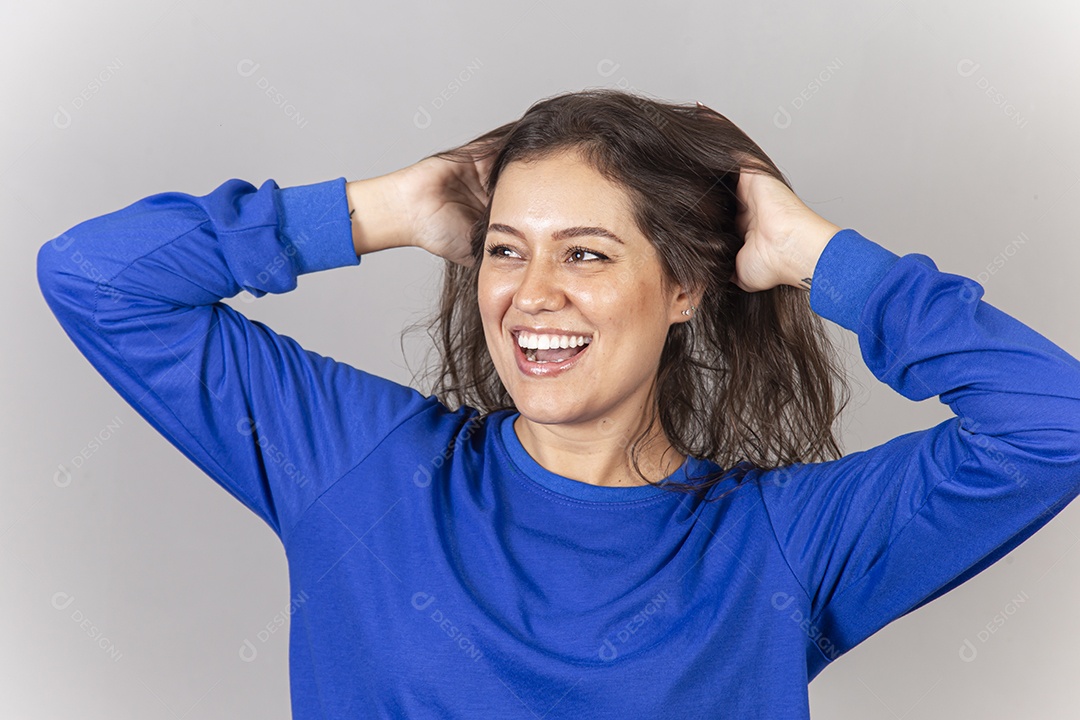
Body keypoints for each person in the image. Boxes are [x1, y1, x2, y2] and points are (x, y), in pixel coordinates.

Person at [36, 88, 1080, 718]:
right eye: (506, 251)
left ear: (682, 289)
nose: (533, 295)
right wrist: (383, 210)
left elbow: (1054, 421)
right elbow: (95, 277)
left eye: (585, 254)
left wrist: (821, 257)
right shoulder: (360, 468)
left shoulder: (781, 543)